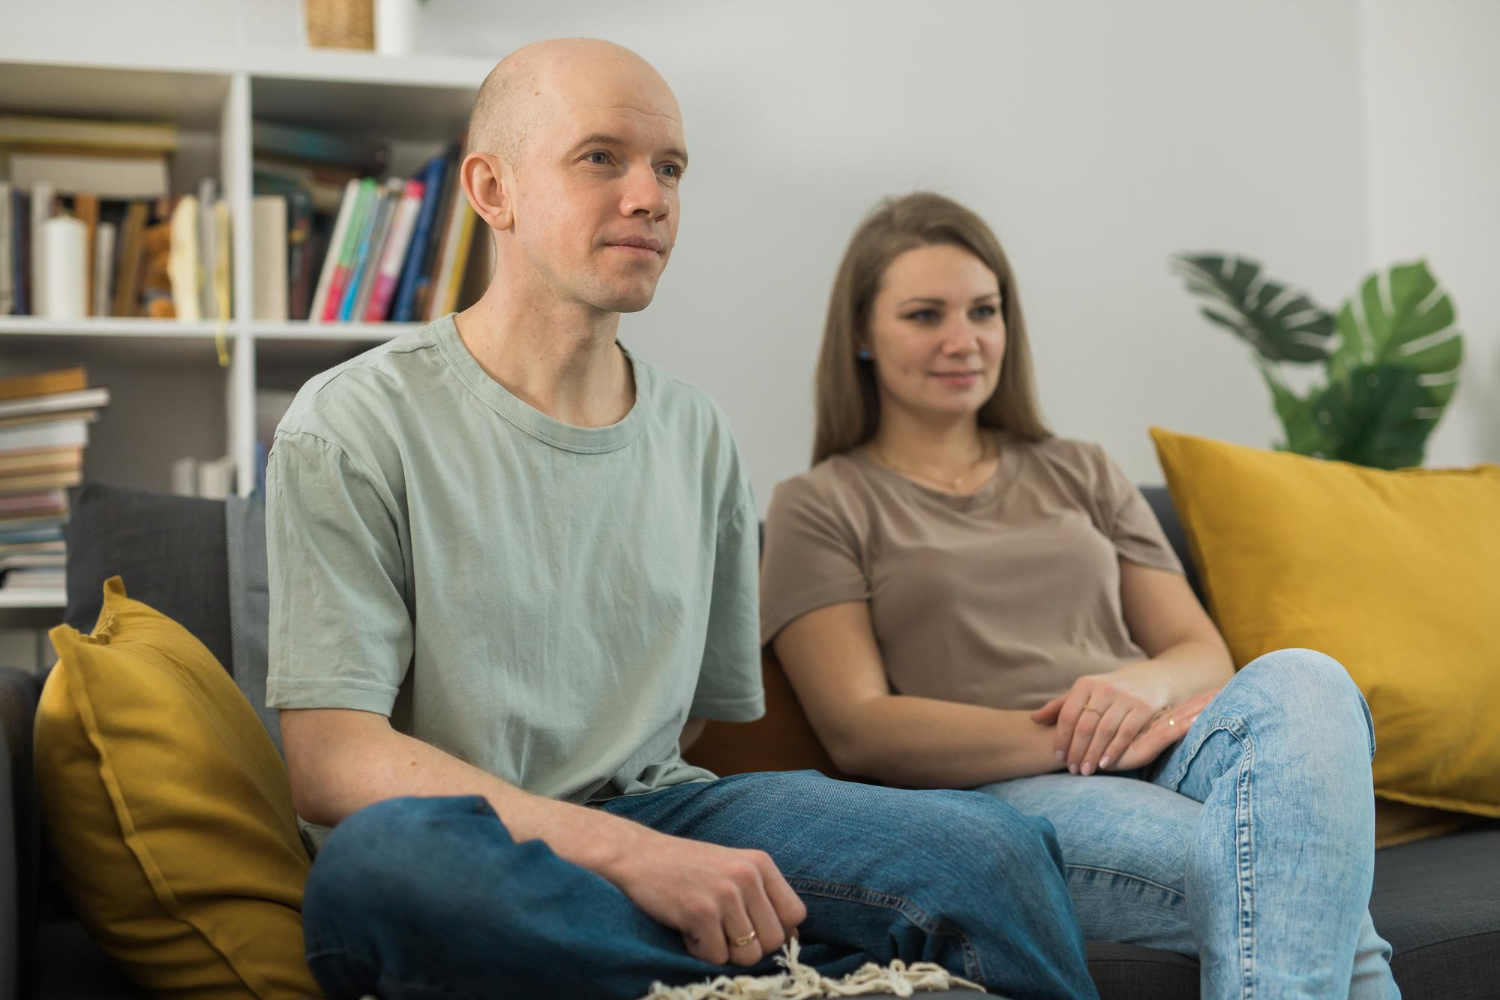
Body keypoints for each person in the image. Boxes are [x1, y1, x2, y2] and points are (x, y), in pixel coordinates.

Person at [266, 41, 1100, 1000]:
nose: (650, 196)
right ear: (492, 191)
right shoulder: (350, 423)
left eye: (669, 168)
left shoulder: (697, 431)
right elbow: (329, 761)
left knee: (989, 847)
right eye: (601, 159)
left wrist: (654, 843)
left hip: (675, 813)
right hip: (477, 844)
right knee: (383, 877)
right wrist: (620, 855)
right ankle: (812, 983)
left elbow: (693, 724)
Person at [760, 191, 1400, 999]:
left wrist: (1138, 692)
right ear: (860, 334)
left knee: (1308, 678)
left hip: (1168, 744)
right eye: (925, 315)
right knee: (1302, 882)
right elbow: (859, 728)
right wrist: (1082, 738)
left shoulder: (1082, 469)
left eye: (984, 311)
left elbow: (1203, 652)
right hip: (1008, 789)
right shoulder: (820, 503)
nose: (964, 341)